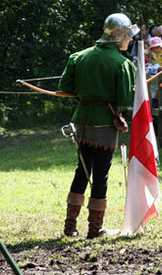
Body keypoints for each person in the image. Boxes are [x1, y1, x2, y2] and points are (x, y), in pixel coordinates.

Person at [59, 13, 138, 238]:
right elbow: (124, 99)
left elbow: (66, 88)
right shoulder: (122, 63)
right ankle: (94, 229)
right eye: (127, 37)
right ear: (120, 37)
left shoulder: (78, 57)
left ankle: (70, 225)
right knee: (101, 173)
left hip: (82, 120)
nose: (129, 41)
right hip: (104, 122)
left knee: (82, 170)